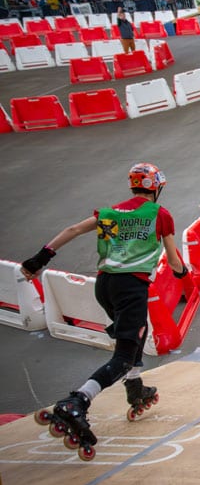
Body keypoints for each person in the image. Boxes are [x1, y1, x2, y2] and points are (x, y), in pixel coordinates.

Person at [24, 163, 188, 461]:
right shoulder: (160, 215)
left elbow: (73, 230)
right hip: (131, 287)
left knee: (139, 331)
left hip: (105, 285)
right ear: (157, 187)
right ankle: (78, 401)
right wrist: (182, 273)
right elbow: (174, 260)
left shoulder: (110, 212)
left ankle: (135, 387)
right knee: (123, 356)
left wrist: (39, 259)